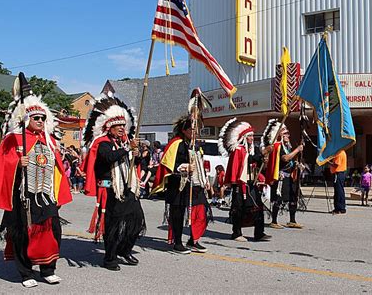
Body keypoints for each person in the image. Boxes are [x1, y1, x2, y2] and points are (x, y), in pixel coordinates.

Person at [0, 94, 72, 288]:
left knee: (51, 230)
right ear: (26, 119)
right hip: (23, 196)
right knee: (23, 233)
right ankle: (26, 272)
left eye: (42, 118)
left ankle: (48, 269)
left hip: (46, 195)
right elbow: (1, 165)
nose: (40, 121)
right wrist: (17, 164)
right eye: (35, 118)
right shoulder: (13, 139)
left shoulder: (49, 140)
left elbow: (57, 167)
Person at [82, 94, 146, 271]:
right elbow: (109, 157)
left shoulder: (125, 143)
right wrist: (127, 149)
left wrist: (137, 155)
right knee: (113, 226)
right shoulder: (103, 143)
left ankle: (124, 250)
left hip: (128, 187)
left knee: (137, 221)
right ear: (109, 127)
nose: (121, 129)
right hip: (110, 190)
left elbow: (135, 164)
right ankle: (110, 258)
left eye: (123, 126)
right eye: (117, 126)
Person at [152, 115, 210, 254]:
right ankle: (177, 242)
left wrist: (205, 179)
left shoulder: (195, 145)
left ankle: (193, 240)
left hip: (195, 184)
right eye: (192, 129)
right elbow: (169, 164)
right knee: (177, 214)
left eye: (196, 129)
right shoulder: (176, 143)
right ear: (184, 130)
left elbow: (200, 164)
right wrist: (184, 167)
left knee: (202, 211)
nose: (195, 131)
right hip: (178, 184)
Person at [219, 118, 271, 242]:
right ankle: (236, 233)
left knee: (258, 207)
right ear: (244, 137)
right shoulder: (238, 150)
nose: (252, 138)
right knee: (238, 209)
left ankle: (259, 233)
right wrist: (262, 154)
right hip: (240, 184)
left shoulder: (249, 151)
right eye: (250, 136)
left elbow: (252, 162)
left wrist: (262, 161)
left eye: (253, 136)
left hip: (251, 183)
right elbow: (248, 160)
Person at [263, 119, 304, 228]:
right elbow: (285, 158)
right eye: (285, 133)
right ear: (280, 135)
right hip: (280, 177)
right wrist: (297, 150)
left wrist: (297, 164)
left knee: (293, 197)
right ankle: (274, 221)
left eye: (288, 133)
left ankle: (292, 220)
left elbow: (290, 160)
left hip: (291, 176)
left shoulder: (288, 146)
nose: (288, 135)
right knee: (278, 198)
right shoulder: (277, 146)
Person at [330, 150, 347, 214]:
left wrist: (327, 162)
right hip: (339, 173)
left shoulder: (339, 153)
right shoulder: (341, 152)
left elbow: (336, 165)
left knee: (338, 191)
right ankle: (339, 207)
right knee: (339, 190)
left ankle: (340, 208)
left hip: (338, 173)